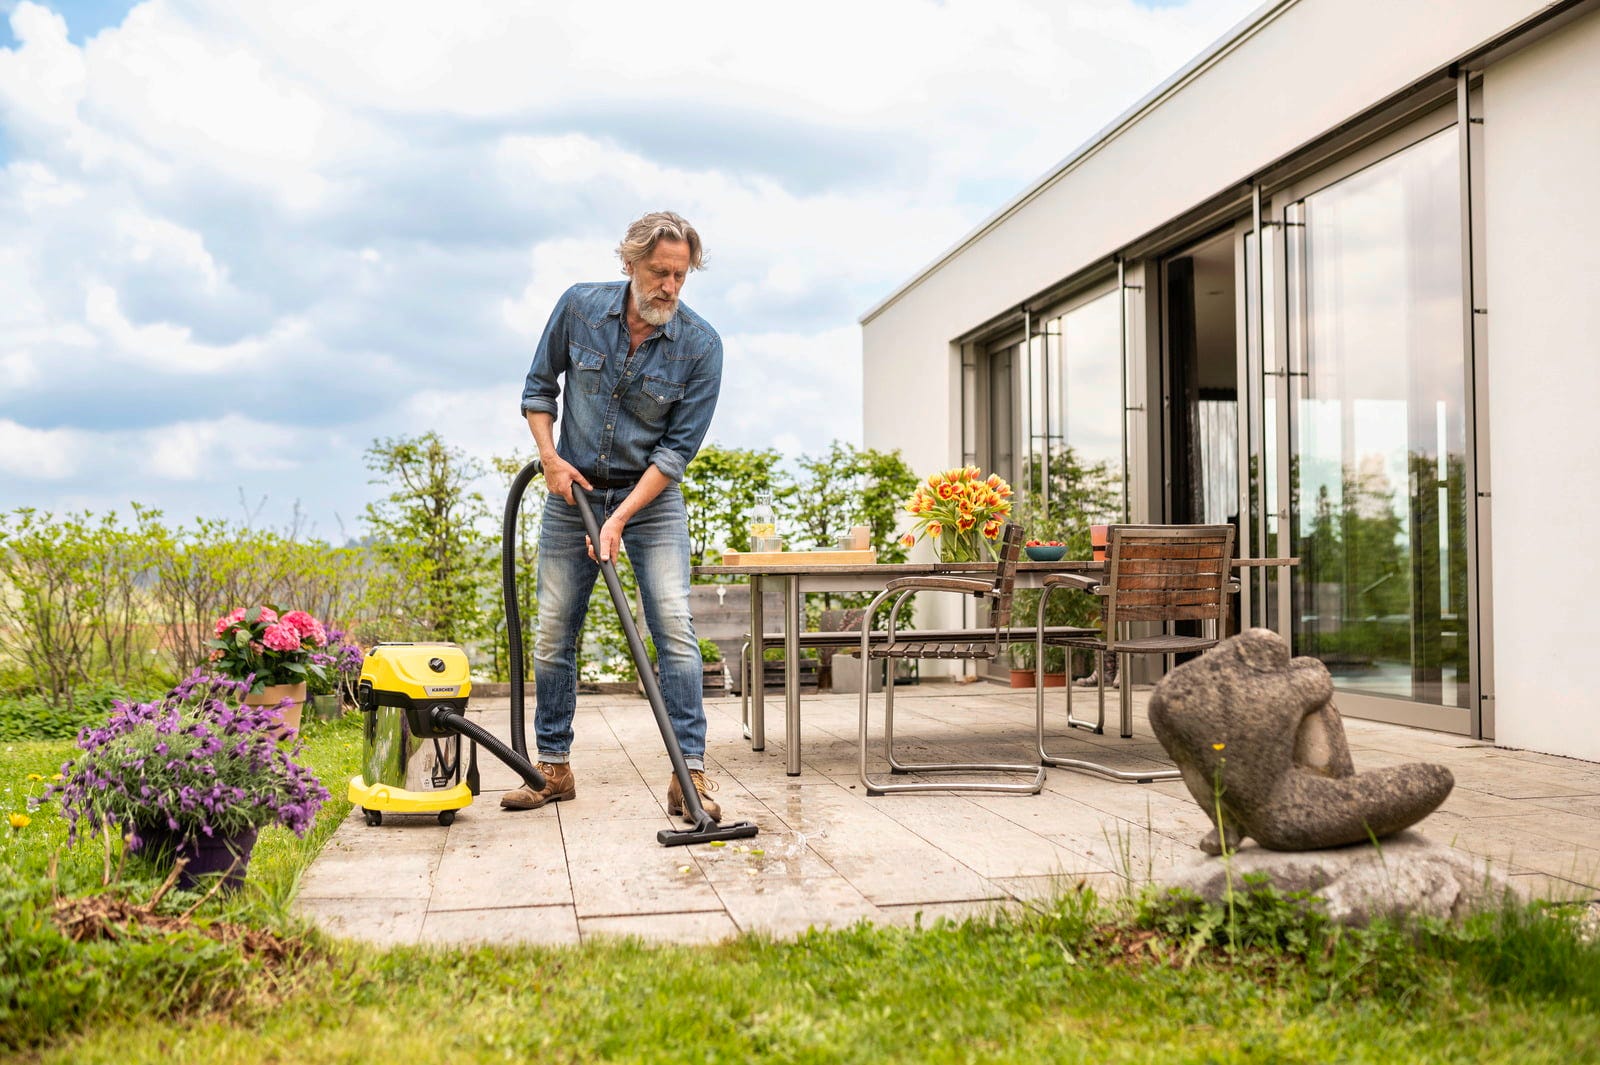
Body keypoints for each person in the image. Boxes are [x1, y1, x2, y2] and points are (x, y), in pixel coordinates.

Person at [502, 211, 725, 823]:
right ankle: (552, 768)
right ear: (629, 263)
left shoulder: (701, 346)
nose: (669, 287)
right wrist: (550, 459)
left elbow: (675, 453)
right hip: (570, 493)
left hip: (650, 503)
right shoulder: (578, 308)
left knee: (673, 627)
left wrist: (620, 516)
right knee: (554, 630)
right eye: (658, 273)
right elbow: (538, 389)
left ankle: (689, 776)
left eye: (680, 276)